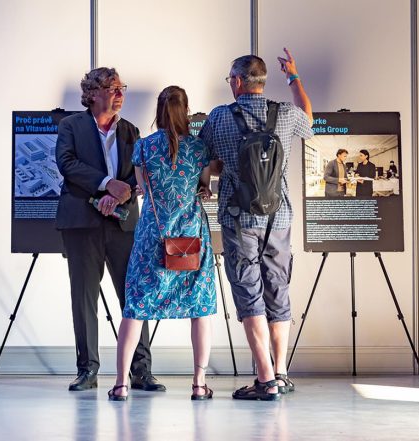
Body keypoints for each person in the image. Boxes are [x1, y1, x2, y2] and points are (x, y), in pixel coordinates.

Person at [199, 50, 313, 401]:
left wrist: (218, 173)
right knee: (277, 289)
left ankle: (264, 380)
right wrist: (293, 76)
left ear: (236, 81)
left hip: (239, 219)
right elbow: (310, 119)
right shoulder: (287, 114)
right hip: (280, 217)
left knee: (249, 294)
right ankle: (280, 372)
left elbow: (207, 161)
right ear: (263, 81)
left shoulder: (220, 117)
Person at [56, 67, 165, 392]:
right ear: (92, 93)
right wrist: (107, 185)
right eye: (113, 89)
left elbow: (140, 173)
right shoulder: (70, 126)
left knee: (135, 296)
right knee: (84, 298)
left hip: (124, 224)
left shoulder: (131, 131)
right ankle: (87, 370)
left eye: (121, 89)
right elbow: (67, 163)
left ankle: (141, 371)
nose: (119, 95)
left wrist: (125, 191)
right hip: (81, 224)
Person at [108, 86, 216, 401]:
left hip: (151, 238)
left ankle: (120, 384)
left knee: (135, 308)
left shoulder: (142, 148)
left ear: (158, 111)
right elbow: (203, 186)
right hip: (190, 238)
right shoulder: (199, 149)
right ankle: (198, 384)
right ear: (186, 111)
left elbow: (142, 188)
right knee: (200, 308)